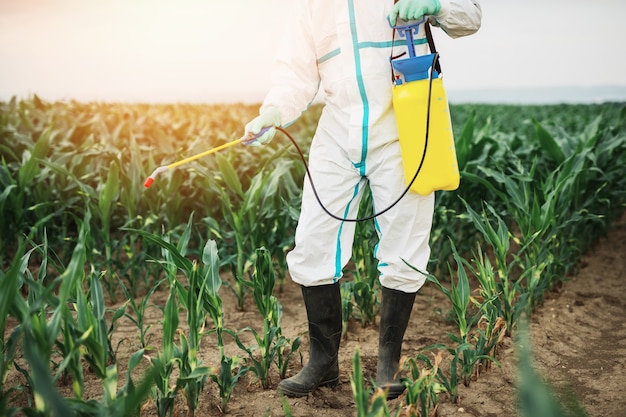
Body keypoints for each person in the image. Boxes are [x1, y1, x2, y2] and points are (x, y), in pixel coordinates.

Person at [244, 0, 482, 400]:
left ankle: (388, 363)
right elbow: (295, 73)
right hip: (338, 129)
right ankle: (323, 363)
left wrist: (436, 4)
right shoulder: (311, 6)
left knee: (404, 245)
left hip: (404, 125)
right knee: (313, 241)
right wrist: (273, 110)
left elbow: (470, 17)